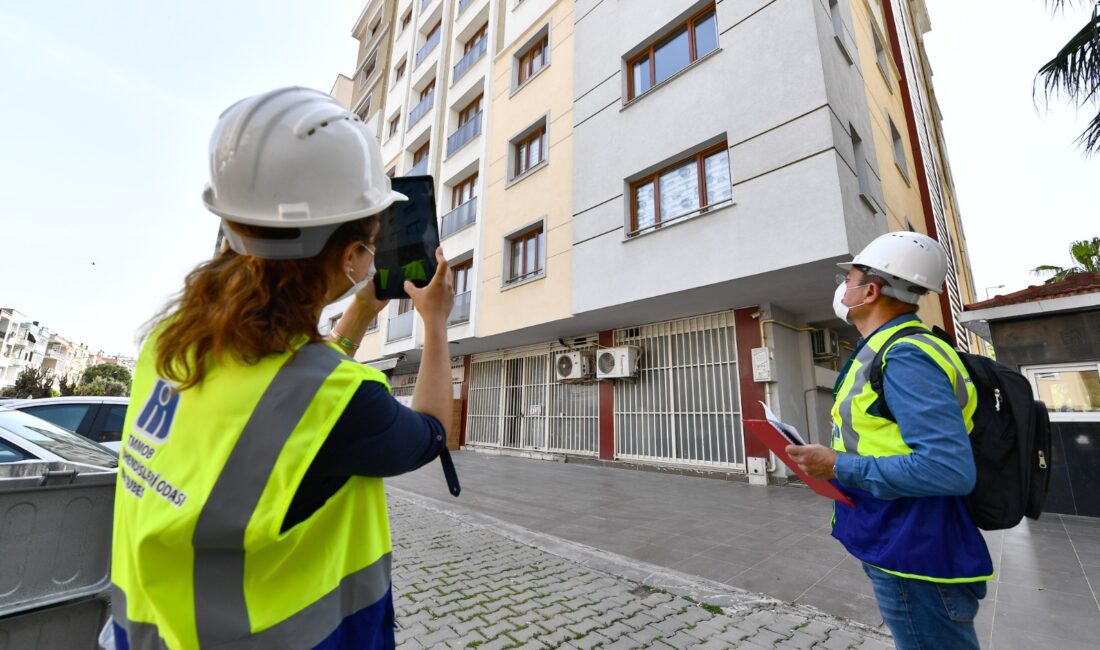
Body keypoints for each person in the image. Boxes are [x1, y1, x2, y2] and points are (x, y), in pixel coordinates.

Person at [108, 87, 458, 649]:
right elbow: (433, 430)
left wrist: (359, 313)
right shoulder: (341, 402)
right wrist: (436, 322)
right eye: (370, 243)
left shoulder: (167, 346)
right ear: (351, 257)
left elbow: (288, 384)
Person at [786, 232, 992, 650]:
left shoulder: (906, 355)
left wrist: (836, 465)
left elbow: (947, 469)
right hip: (895, 537)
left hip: (915, 548)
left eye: (849, 279)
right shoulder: (886, 349)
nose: (843, 287)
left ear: (870, 292)